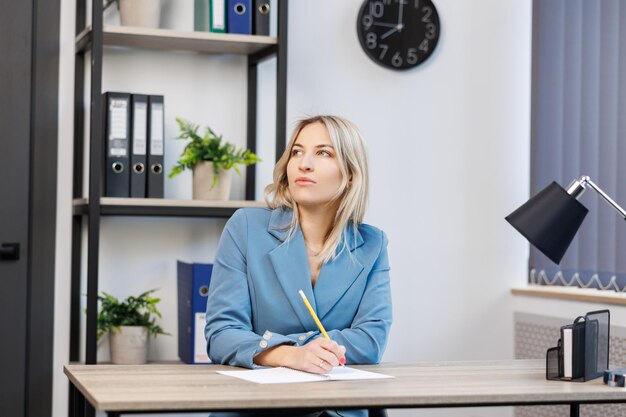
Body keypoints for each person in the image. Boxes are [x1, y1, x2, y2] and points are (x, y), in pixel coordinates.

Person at [204, 115, 392, 417]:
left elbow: (371, 341)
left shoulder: (372, 244)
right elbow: (222, 333)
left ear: (351, 175)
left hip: (337, 409)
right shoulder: (246, 228)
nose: (304, 163)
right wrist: (292, 355)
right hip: (256, 410)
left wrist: (287, 349)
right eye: (297, 151)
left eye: (324, 152)